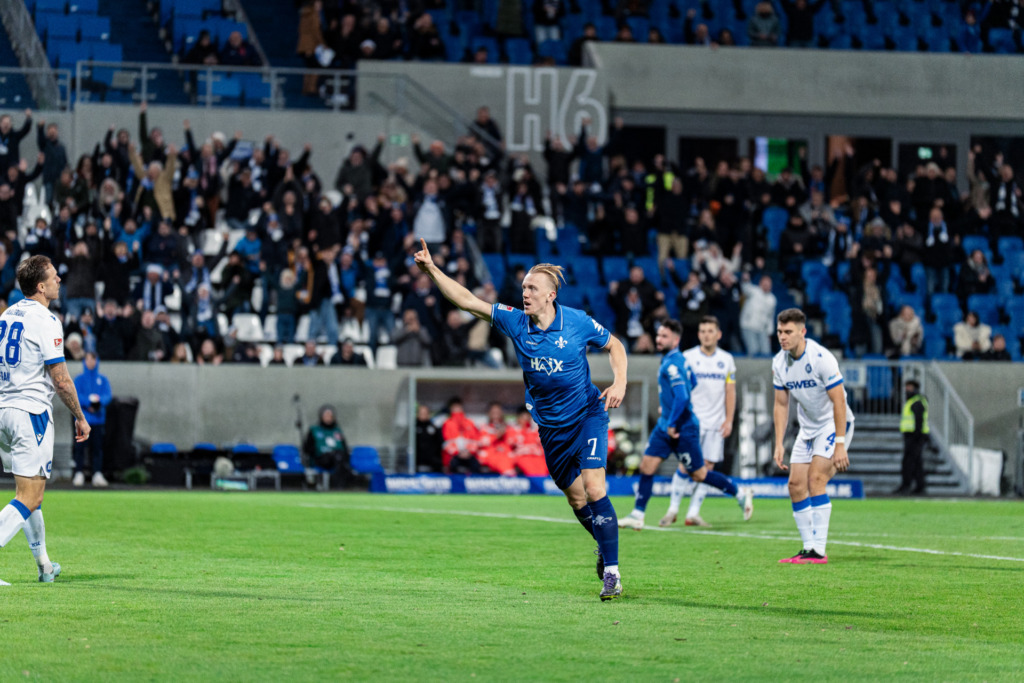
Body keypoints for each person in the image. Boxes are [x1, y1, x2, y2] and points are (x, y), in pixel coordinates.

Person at [414, 239, 628, 601]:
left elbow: (615, 346)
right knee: (577, 501)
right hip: (551, 429)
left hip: (588, 415)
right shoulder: (515, 321)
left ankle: (612, 574)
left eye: (532, 289)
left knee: (595, 489)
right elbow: (467, 301)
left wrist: (619, 381)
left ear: (551, 295)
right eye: (524, 287)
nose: (525, 293)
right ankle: (605, 547)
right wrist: (432, 269)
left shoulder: (576, 321)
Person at [0, 255, 91, 584]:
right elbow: (61, 380)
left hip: (4, 411)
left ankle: (44, 565)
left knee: (28, 492)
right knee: (31, 496)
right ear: (40, 286)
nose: (59, 280)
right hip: (30, 412)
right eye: (54, 277)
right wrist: (80, 417)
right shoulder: (47, 320)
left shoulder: (8, 315)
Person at [618, 319, 752, 530]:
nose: (658, 339)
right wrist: (668, 407)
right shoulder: (680, 359)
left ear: (675, 340)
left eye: (664, 336)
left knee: (699, 474)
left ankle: (738, 492)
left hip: (682, 428)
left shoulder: (673, 364)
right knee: (647, 465)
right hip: (665, 425)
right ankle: (638, 514)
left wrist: (673, 420)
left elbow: (682, 396)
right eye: (658, 335)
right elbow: (692, 384)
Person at [772, 308, 854, 565]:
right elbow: (781, 404)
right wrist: (778, 443)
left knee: (816, 478)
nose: (782, 337)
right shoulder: (778, 362)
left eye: (788, 332)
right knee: (795, 486)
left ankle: (819, 551)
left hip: (833, 424)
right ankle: (808, 548)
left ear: (802, 332)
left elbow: (839, 401)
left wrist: (840, 444)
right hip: (808, 429)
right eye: (779, 331)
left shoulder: (821, 358)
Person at [660, 316, 741, 526]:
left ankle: (693, 514)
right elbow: (675, 387)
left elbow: (730, 392)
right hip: (691, 421)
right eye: (703, 331)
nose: (706, 335)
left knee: (708, 468)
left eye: (710, 331)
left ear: (718, 334)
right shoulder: (688, 357)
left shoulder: (727, 360)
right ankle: (672, 510)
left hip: (716, 423)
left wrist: (729, 420)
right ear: (698, 334)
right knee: (685, 466)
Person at [71, 351, 111, 487]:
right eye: (88, 359)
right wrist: (89, 403)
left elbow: (107, 395)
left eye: (93, 359)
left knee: (97, 448)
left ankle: (97, 474)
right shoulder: (79, 379)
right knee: (80, 448)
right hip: (82, 420)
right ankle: (79, 473)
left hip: (98, 420)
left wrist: (98, 403)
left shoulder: (103, 379)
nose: (90, 362)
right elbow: (75, 396)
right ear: (84, 361)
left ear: (96, 361)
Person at [302, 404, 350, 488]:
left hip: (337, 458)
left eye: (330, 416)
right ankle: (337, 485)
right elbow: (307, 448)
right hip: (321, 458)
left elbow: (344, 447)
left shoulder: (337, 431)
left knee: (339, 458)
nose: (328, 418)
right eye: (326, 416)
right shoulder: (314, 430)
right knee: (337, 458)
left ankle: (340, 485)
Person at [895, 380, 928, 495]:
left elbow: (919, 421)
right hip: (912, 435)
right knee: (916, 462)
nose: (907, 390)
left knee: (908, 462)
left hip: (914, 436)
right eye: (906, 387)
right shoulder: (912, 401)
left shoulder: (916, 402)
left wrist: (917, 437)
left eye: (909, 387)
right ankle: (919, 486)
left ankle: (907, 485)